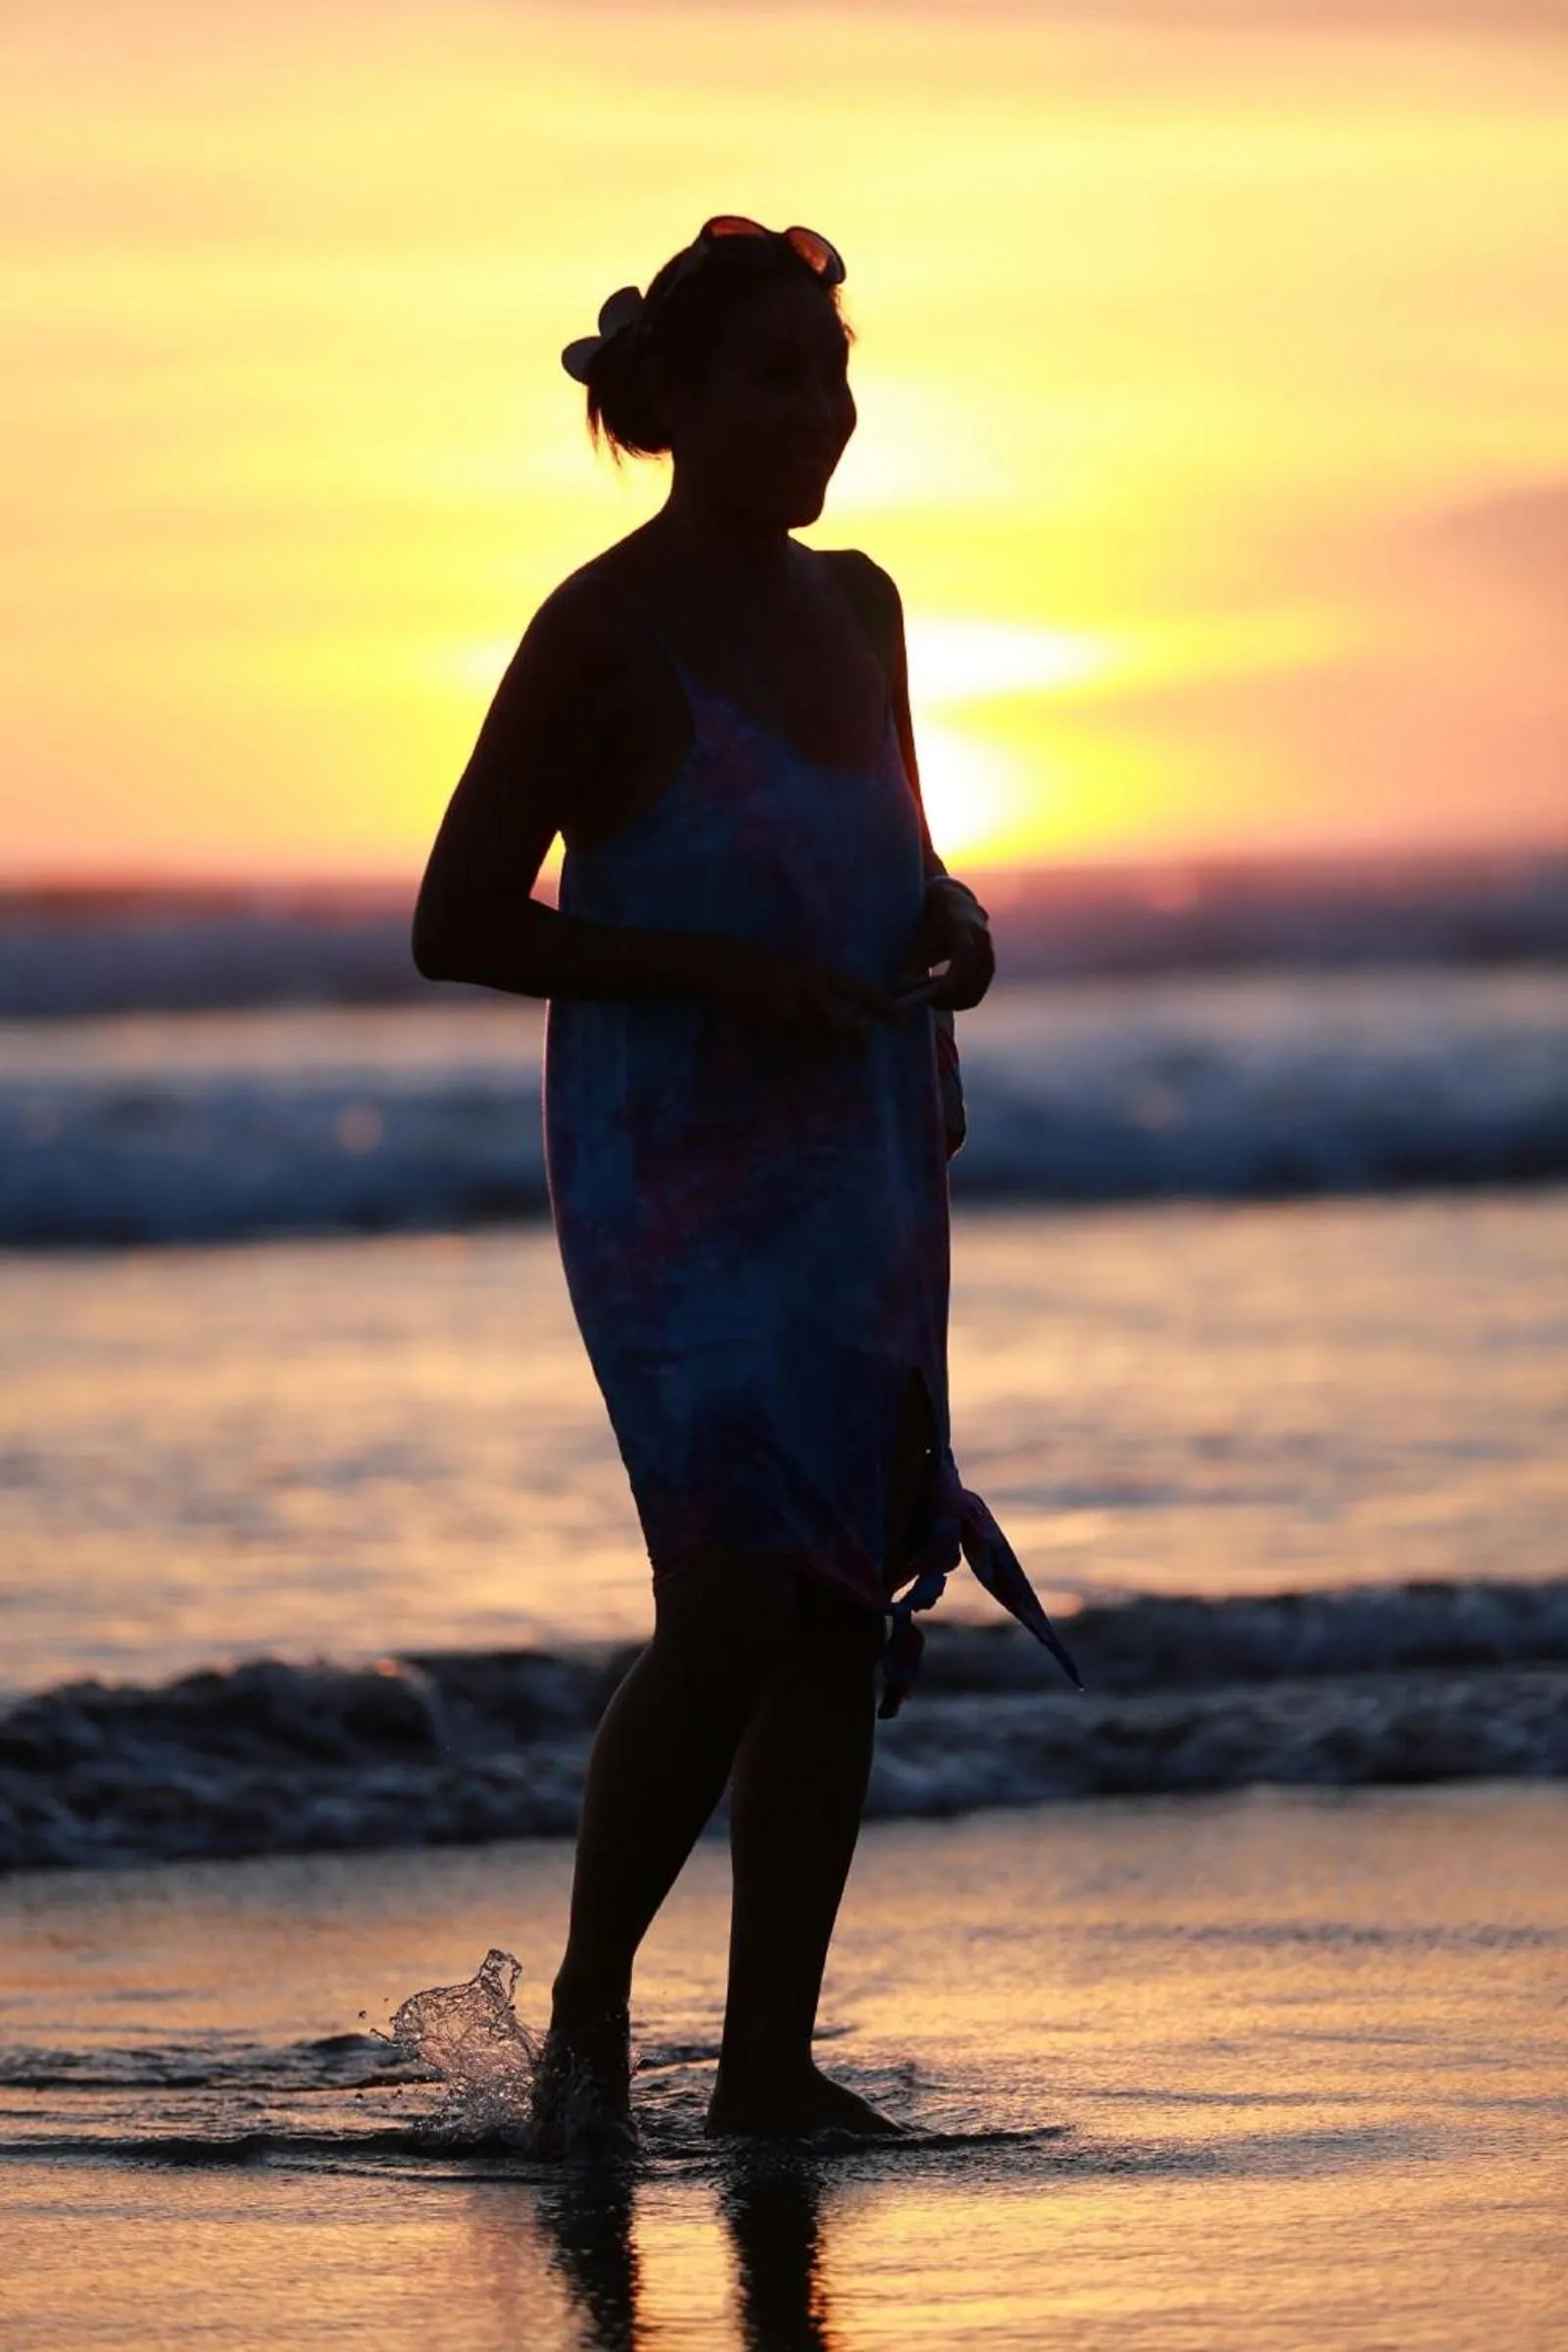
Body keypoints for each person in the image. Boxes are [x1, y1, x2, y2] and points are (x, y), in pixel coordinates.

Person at [413, 216, 1077, 2153]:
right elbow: (456, 921)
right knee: (720, 1598)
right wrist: (713, 976)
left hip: (860, 1155)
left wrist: (954, 926)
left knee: (830, 1613)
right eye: (774, 375)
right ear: (674, 406)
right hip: (674, 1175)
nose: (821, 410)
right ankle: (592, 2029)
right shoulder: (596, 630)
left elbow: (905, 859)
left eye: (833, 370)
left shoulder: (862, 609)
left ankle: (767, 2059)